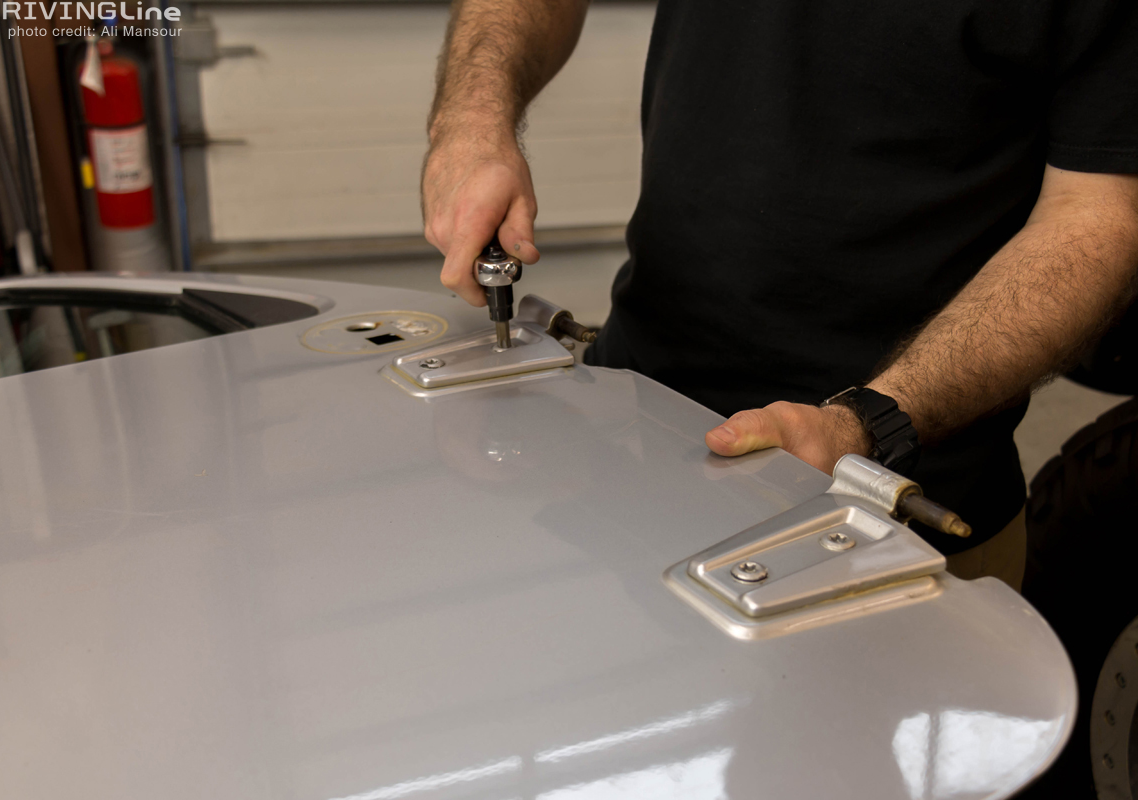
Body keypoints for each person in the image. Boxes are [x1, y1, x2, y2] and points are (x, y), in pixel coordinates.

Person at [420, 0, 1138, 587]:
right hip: (629, 451)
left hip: (886, 522)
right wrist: (473, 120)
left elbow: (1101, 218)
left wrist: (871, 425)